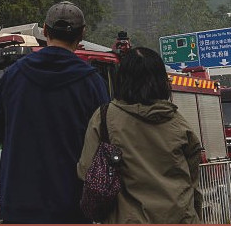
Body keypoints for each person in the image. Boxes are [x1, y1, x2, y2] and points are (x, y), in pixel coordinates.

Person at [0, 1, 109, 224]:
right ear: (82, 34)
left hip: (19, 206)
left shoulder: (13, 75)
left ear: (45, 31)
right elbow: (105, 139)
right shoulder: (92, 82)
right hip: (72, 207)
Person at [77, 47, 202, 223]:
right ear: (162, 81)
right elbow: (193, 180)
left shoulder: (104, 117)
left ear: (122, 79)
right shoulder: (178, 123)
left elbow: (85, 170)